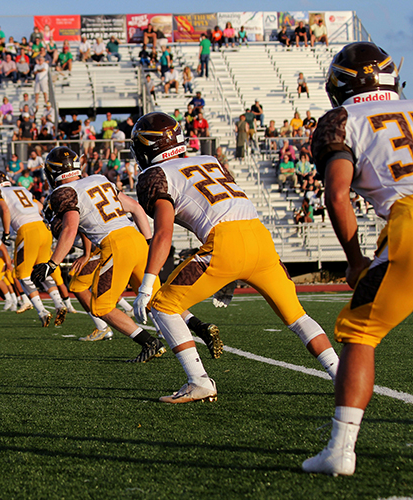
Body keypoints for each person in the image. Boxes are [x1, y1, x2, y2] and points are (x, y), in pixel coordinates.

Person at [130, 112, 339, 403]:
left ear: (146, 146)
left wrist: (146, 284)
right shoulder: (208, 160)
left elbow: (164, 233)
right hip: (260, 238)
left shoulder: (156, 175)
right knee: (297, 316)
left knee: (163, 306)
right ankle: (340, 374)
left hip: (225, 243)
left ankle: (198, 381)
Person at [301, 42, 406, 476]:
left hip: (410, 222)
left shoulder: (343, 120)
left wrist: (355, 259)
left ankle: (340, 451)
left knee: (359, 332)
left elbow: (338, 193)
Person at [32, 147, 166, 363]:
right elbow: (136, 209)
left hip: (114, 244)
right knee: (158, 298)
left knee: (101, 306)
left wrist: (52, 263)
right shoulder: (98, 179)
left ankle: (149, 342)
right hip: (136, 238)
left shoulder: (62, 193)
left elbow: (70, 228)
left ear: (52, 172)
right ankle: (196, 332)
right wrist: (149, 243)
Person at [0, 170, 67, 326]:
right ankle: (59, 304)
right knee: (42, 270)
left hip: (28, 231)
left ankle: (42, 311)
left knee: (22, 275)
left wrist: (7, 232)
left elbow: (5, 209)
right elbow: (41, 207)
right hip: (43, 229)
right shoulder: (21, 189)